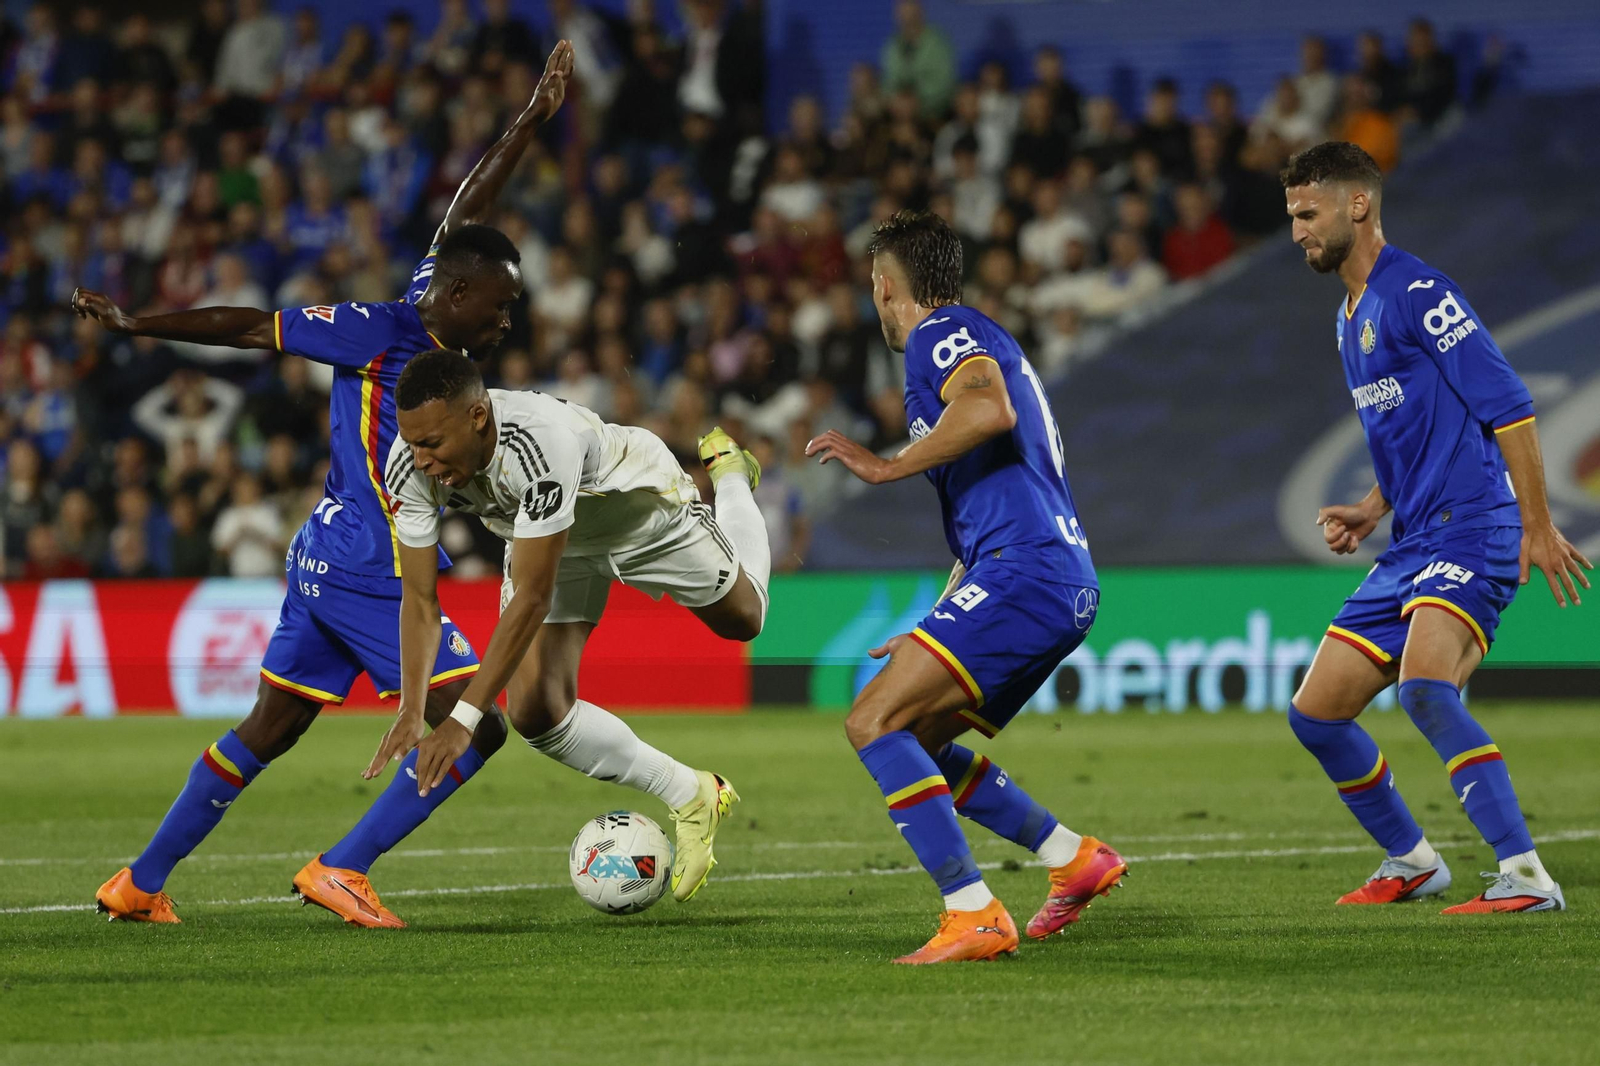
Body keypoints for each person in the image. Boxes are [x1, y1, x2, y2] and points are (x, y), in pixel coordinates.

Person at [72, 41, 575, 928]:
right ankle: (344, 867)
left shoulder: (439, 296)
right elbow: (254, 328)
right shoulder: (381, 333)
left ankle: (139, 883)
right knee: (478, 721)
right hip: (371, 557)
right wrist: (140, 324)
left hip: (325, 546)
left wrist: (531, 118)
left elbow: (470, 206)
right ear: (455, 295)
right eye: (495, 307)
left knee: (271, 726)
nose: (505, 323)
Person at [802, 212, 1125, 964]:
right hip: (1047, 574)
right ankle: (1071, 857)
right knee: (915, 735)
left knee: (873, 722)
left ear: (886, 287)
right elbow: (1001, 471)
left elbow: (987, 408)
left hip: (1028, 569)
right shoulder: (981, 336)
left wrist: (885, 465)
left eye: (872, 287)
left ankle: (972, 912)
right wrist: (944, 611)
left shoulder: (937, 333)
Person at [1281, 142, 1591, 914]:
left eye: (1308, 214)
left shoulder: (1419, 292)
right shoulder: (1348, 317)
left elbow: (1510, 403)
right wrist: (1372, 508)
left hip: (1474, 529)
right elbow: (1409, 430)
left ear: (1359, 205)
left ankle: (1527, 876)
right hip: (1411, 539)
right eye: (1291, 217)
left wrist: (1537, 527)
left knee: (1424, 689)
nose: (1297, 232)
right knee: (1316, 714)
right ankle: (1412, 862)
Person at [374, 351, 771, 902]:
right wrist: (412, 708)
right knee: (536, 710)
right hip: (545, 538)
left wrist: (464, 718)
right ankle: (693, 793)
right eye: (411, 442)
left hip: (634, 512)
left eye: (433, 444)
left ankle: (730, 478)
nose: (420, 459)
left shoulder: (539, 444)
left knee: (745, 620)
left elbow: (531, 597)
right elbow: (419, 600)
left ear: (478, 417)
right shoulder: (408, 464)